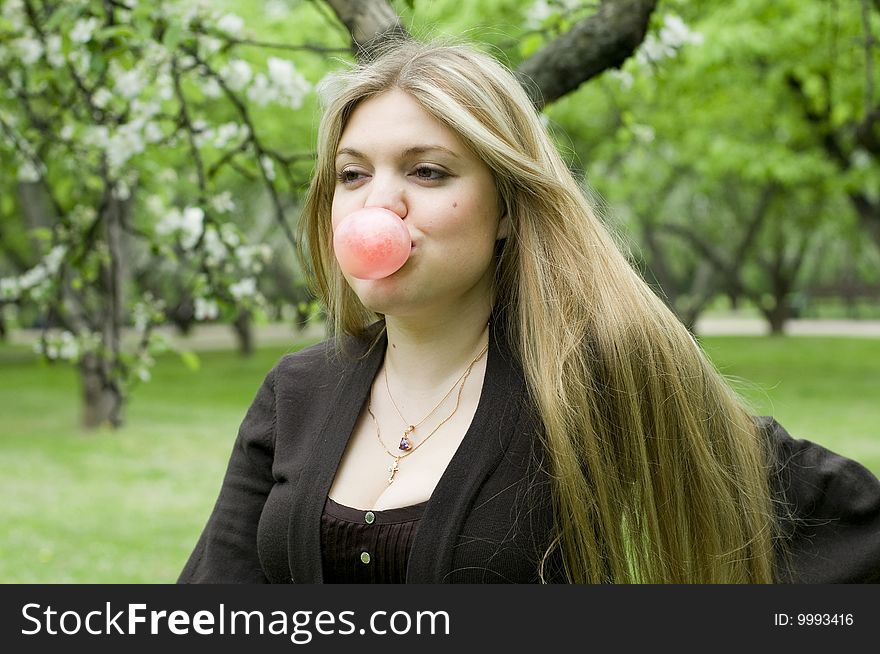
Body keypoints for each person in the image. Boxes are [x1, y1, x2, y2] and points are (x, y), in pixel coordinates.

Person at [178, 38, 880, 584]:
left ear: (508, 207)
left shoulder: (591, 382)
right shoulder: (296, 392)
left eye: (427, 171)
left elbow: (843, 525)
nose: (375, 204)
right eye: (353, 174)